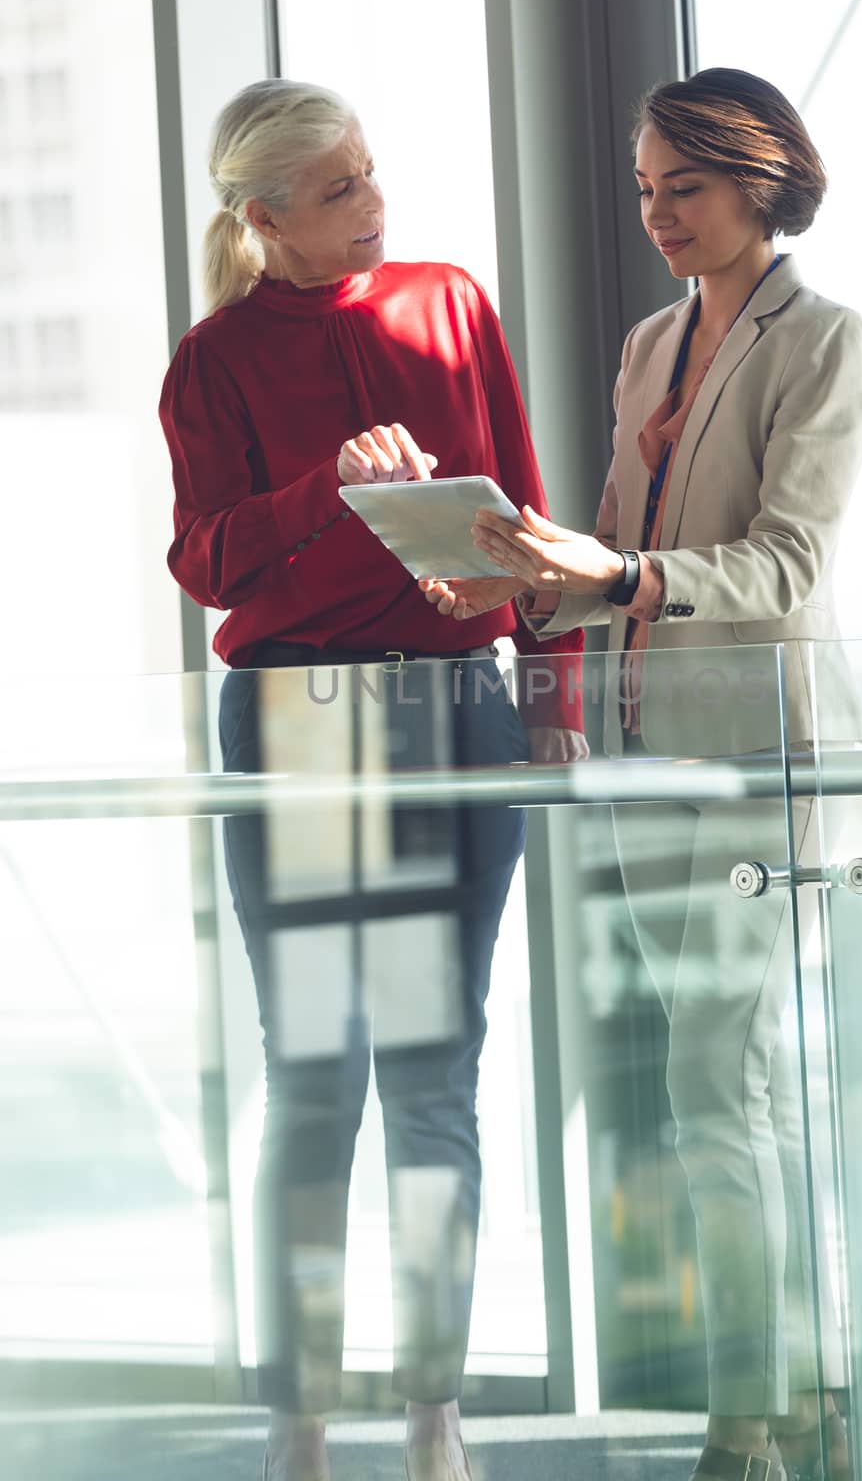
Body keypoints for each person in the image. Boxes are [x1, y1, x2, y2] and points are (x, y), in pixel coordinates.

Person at [423, 67, 862, 1480]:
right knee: (724, 1093)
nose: (657, 212)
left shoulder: (826, 339)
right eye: (642, 188)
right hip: (643, 749)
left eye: (683, 184)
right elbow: (608, 558)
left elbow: (786, 567)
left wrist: (613, 573)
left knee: (710, 1079)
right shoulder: (646, 348)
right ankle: (801, 1383)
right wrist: (503, 587)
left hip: (761, 753)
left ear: (761, 181)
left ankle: (750, 1414)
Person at [157, 78, 585, 1481]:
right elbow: (207, 561)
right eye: (337, 191)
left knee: (438, 1064)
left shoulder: (451, 303)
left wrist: (552, 694)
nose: (373, 208)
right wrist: (328, 493)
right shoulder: (213, 364)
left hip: (458, 710)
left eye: (372, 178)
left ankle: (434, 1413)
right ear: (264, 215)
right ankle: (300, 1424)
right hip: (294, 720)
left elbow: (522, 503)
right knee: (313, 1075)